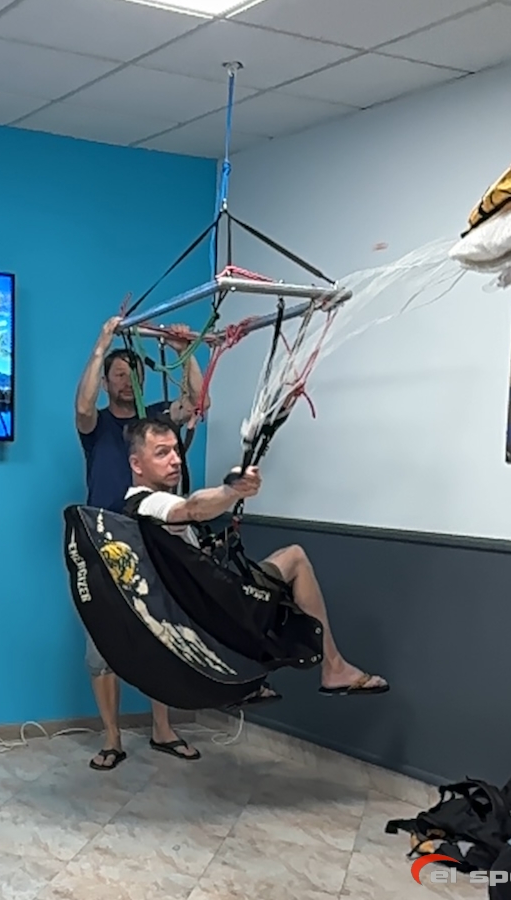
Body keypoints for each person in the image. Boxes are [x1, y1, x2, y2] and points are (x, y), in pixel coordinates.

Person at [125, 417, 390, 697]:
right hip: (215, 613)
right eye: (162, 453)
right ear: (136, 464)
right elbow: (193, 508)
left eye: (176, 451)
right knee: (295, 558)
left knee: (280, 570)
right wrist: (230, 492)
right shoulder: (151, 504)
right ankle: (334, 668)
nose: (176, 460)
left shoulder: (142, 515)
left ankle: (250, 675)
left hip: (203, 607)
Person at [75, 317, 209, 771]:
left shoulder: (154, 425)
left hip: (154, 539)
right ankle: (112, 738)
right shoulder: (96, 426)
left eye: (131, 374)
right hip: (105, 544)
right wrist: (102, 343)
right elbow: (82, 404)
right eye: (117, 374)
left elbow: (197, 402)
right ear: (108, 382)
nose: (124, 381)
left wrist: (183, 352)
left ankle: (163, 729)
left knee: (161, 634)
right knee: (102, 647)